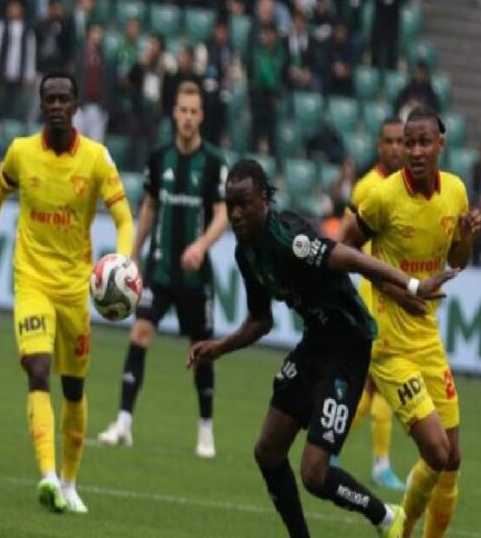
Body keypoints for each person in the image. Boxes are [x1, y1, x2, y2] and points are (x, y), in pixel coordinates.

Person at [187, 159, 458, 537]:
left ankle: (387, 517)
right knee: (268, 450)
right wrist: (219, 347)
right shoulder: (246, 253)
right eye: (230, 205)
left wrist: (412, 285)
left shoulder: (291, 240)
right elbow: (260, 320)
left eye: (243, 204)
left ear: (264, 199)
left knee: (314, 473)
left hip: (349, 345)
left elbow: (354, 259)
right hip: (316, 341)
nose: (235, 214)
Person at [0, 72, 134, 514]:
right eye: (50, 99)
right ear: (41, 106)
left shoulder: (96, 159)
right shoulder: (21, 152)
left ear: (76, 106)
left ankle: (71, 482)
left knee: (74, 388)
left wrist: (123, 263)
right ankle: (48, 475)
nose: (56, 106)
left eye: (64, 99)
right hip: (32, 280)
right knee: (37, 370)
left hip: (75, 289)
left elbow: (124, 218)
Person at [338, 105, 481, 537]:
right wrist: (393, 287)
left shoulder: (455, 191)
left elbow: (457, 260)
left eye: (423, 143)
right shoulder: (383, 196)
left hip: (427, 336)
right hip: (387, 343)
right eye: (408, 143)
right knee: (436, 451)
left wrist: (465, 241)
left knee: (452, 456)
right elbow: (345, 248)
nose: (415, 151)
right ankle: (402, 530)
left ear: (441, 144)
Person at [97, 81, 228, 457]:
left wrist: (201, 247)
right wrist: (132, 255)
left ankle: (206, 429)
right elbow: (150, 207)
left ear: (201, 116)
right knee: (140, 333)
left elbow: (222, 214)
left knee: (201, 350)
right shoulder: (159, 157)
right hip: (160, 270)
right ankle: (123, 423)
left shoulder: (214, 163)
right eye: (182, 110)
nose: (187, 117)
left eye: (193, 112)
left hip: (195, 276)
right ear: (174, 113)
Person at [338, 118, 407, 491]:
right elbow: (343, 240)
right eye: (389, 142)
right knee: (380, 384)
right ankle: (377, 463)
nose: (396, 148)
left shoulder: (409, 187)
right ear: (380, 146)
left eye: (401, 141)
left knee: (370, 385)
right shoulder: (368, 186)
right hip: (373, 297)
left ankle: (331, 447)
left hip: (397, 300)